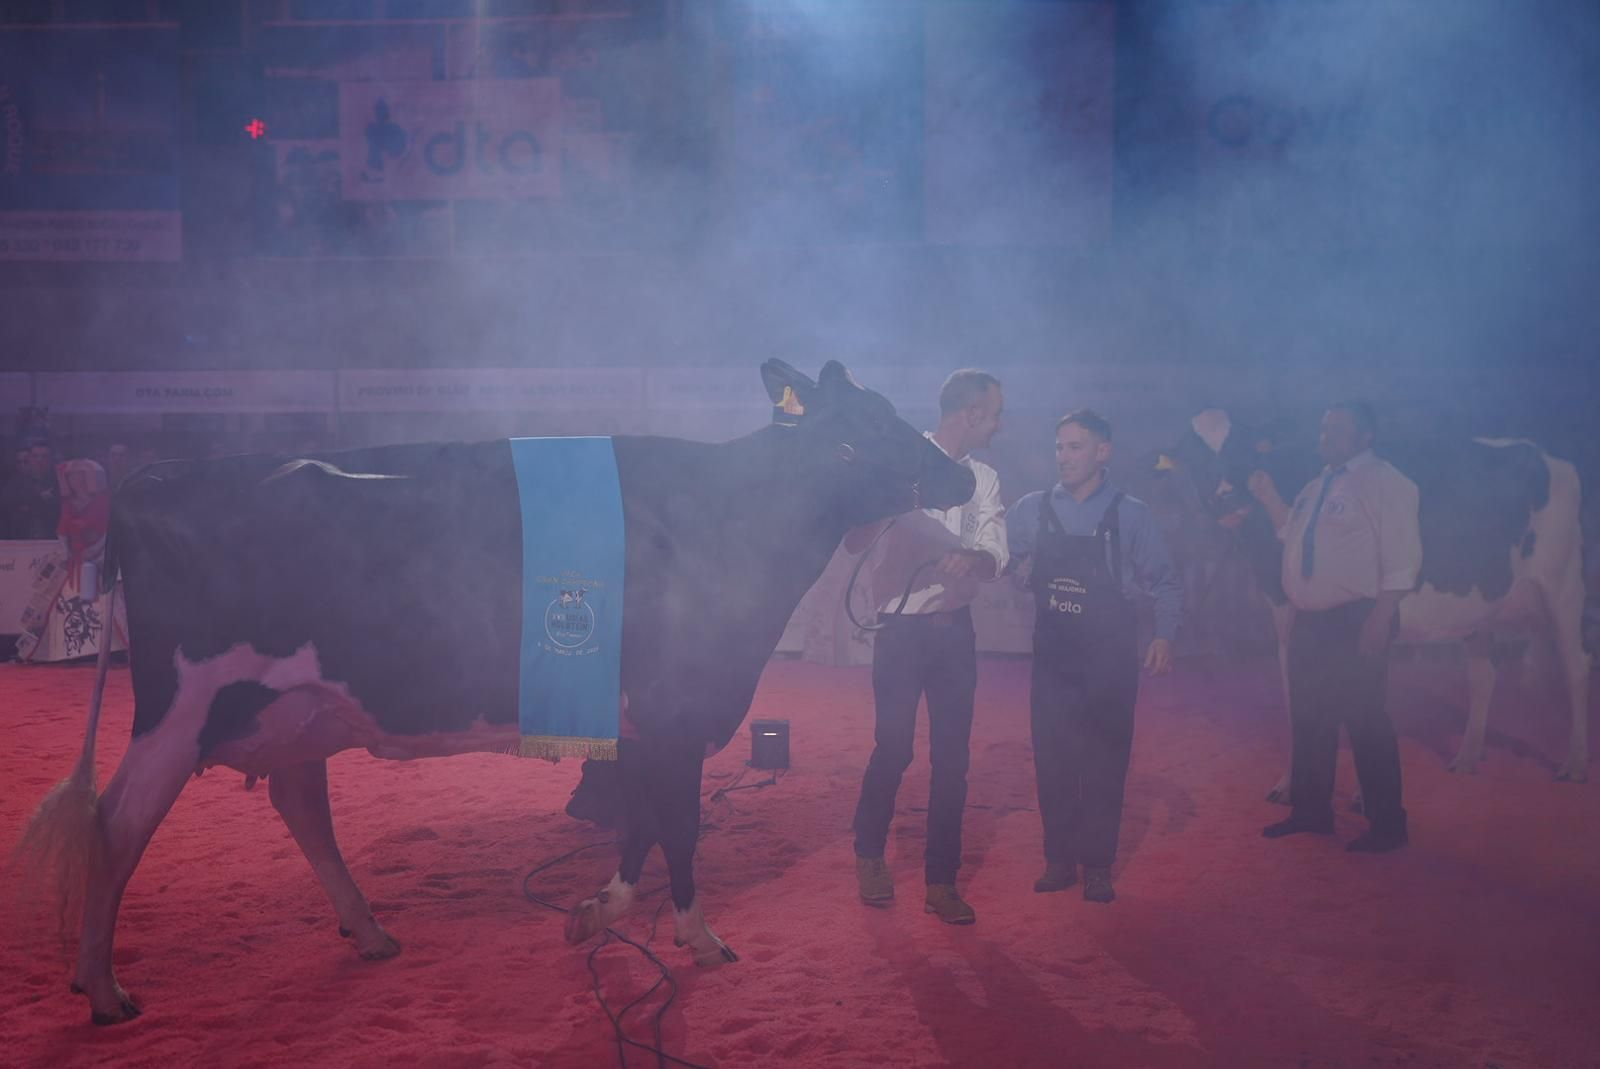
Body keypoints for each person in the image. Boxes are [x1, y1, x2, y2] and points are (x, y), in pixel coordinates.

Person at [848, 369, 1007, 925]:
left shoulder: (983, 477)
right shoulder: (897, 460)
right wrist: (888, 501)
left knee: (952, 761)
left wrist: (973, 558)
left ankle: (942, 881)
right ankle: (869, 854)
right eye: (994, 413)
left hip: (954, 633)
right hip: (899, 631)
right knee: (893, 748)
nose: (999, 424)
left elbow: (994, 554)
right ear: (971, 413)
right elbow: (854, 540)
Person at [1007, 409, 1182, 903]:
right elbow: (999, 557)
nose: (1063, 457)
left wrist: (1165, 636)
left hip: (1110, 655)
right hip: (1054, 655)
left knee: (1105, 760)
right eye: (1059, 447)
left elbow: (1165, 581)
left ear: (1103, 452)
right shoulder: (1031, 509)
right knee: (1053, 759)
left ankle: (1098, 866)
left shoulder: (1132, 513)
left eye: (1075, 447)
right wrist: (1013, 569)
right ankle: (1059, 861)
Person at [1256, 401, 1419, 853]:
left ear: (1366, 436)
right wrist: (1267, 496)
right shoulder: (1316, 486)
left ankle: (1387, 825)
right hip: (1312, 621)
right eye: (1325, 429)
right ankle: (1311, 811)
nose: (1327, 437)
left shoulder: (1385, 481)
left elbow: (1403, 555)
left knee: (1365, 719)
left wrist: (1381, 617)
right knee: (1310, 717)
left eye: (1339, 430)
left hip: (1356, 617)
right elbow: (1292, 536)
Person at [1, 442, 62, 540]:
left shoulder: (60, 483)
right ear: (29, 459)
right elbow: (8, 509)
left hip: (54, 541)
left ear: (51, 460)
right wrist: (38, 498)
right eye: (35, 456)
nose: (40, 460)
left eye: (44, 456)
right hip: (21, 541)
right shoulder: (14, 484)